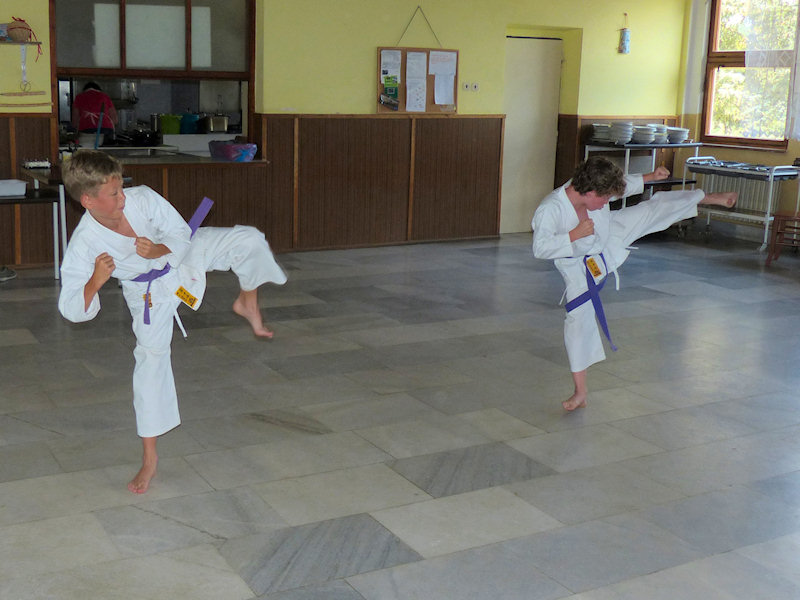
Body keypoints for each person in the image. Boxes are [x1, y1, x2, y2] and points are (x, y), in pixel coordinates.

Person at [58, 150, 287, 494]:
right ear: (88, 200)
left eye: (121, 189)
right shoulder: (84, 244)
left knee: (249, 239)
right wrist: (95, 281)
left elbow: (181, 232)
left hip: (180, 259)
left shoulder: (142, 197)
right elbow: (71, 307)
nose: (123, 199)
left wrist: (158, 249)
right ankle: (149, 458)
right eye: (114, 194)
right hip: (148, 294)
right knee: (150, 363)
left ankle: (247, 301)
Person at [532, 156, 737, 411]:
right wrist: (573, 235)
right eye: (605, 199)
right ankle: (580, 391)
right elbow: (540, 247)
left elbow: (622, 187)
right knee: (578, 321)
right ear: (590, 191)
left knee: (651, 210)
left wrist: (651, 177)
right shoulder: (551, 208)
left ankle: (707, 198)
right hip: (578, 266)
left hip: (608, 234)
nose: (607, 202)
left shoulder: (594, 188)